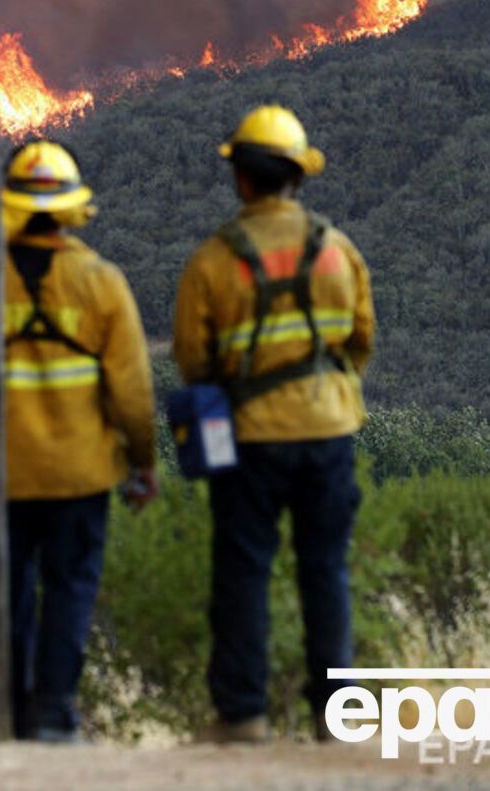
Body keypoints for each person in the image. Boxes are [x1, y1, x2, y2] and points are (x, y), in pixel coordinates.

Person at [0, 138, 157, 742]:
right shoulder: (102, 283)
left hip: (2, 471)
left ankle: (9, 713)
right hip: (81, 474)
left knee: (5, 590)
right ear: (72, 209)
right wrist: (144, 462)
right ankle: (53, 714)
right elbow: (132, 391)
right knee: (70, 588)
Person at [172, 104, 375, 743]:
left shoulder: (214, 260)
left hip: (252, 438)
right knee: (326, 570)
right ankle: (336, 721)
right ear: (297, 176)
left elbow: (193, 361)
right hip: (329, 433)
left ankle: (243, 717)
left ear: (242, 179)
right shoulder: (337, 251)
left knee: (244, 572)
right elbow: (360, 340)